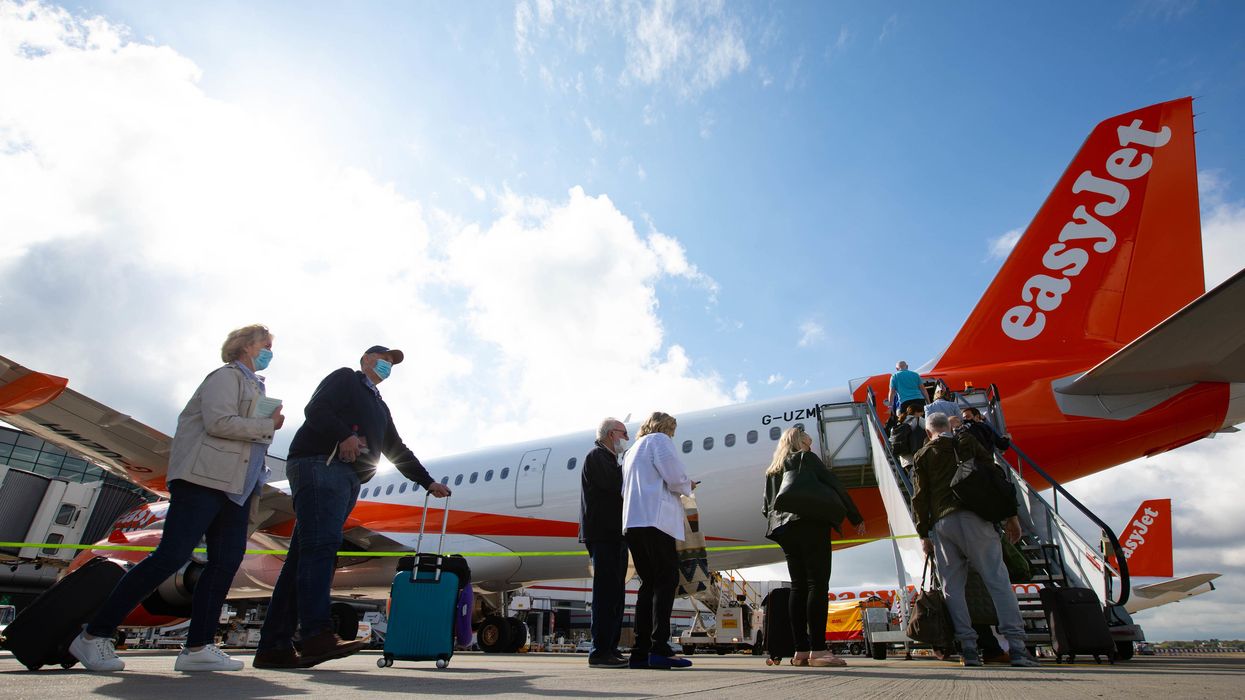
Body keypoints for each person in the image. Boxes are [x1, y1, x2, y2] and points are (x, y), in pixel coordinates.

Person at [71, 324, 285, 672]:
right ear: (245, 346)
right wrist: (267, 426)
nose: (270, 352)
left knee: (224, 566)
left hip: (238, 490)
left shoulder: (256, 386)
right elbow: (218, 422)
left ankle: (198, 646)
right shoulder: (225, 377)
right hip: (204, 481)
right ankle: (94, 635)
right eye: (266, 345)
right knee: (170, 556)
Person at [254, 345, 451, 669]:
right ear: (365, 360)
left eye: (392, 362)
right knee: (323, 548)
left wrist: (426, 481)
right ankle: (316, 634)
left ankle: (273, 646)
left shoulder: (379, 406)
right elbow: (316, 410)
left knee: (301, 560)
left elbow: (396, 448)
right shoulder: (346, 379)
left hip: (348, 479)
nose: (387, 364)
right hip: (320, 465)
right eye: (383, 358)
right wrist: (344, 435)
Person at [910, 412, 1038, 668]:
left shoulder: (922, 455)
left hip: (943, 524)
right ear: (948, 426)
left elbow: (920, 497)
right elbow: (995, 474)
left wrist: (924, 534)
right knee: (997, 580)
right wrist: (1010, 515)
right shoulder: (966, 441)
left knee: (952, 587)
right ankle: (1017, 648)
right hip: (975, 517)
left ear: (927, 432)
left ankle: (968, 649)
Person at [762, 426, 865, 668]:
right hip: (810, 524)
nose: (811, 439)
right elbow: (835, 484)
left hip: (785, 530)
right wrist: (855, 516)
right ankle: (818, 650)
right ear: (801, 440)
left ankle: (801, 651)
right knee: (817, 585)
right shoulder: (805, 458)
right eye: (808, 436)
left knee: (797, 587)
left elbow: (766, 507)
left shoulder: (772, 470)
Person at [621, 412, 694, 670]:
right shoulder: (659, 441)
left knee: (648, 585)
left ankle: (640, 652)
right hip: (656, 520)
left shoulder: (631, 452)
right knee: (666, 581)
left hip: (633, 522)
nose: (672, 434)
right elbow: (674, 477)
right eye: (671, 429)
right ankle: (659, 648)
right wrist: (689, 485)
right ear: (663, 427)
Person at [578, 417, 630, 669]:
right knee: (605, 593)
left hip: (616, 535)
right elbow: (613, 484)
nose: (626, 439)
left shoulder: (611, 459)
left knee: (616, 595)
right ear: (611, 434)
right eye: (624, 434)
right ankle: (599, 651)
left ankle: (611, 647)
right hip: (603, 534)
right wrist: (630, 465)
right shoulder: (596, 456)